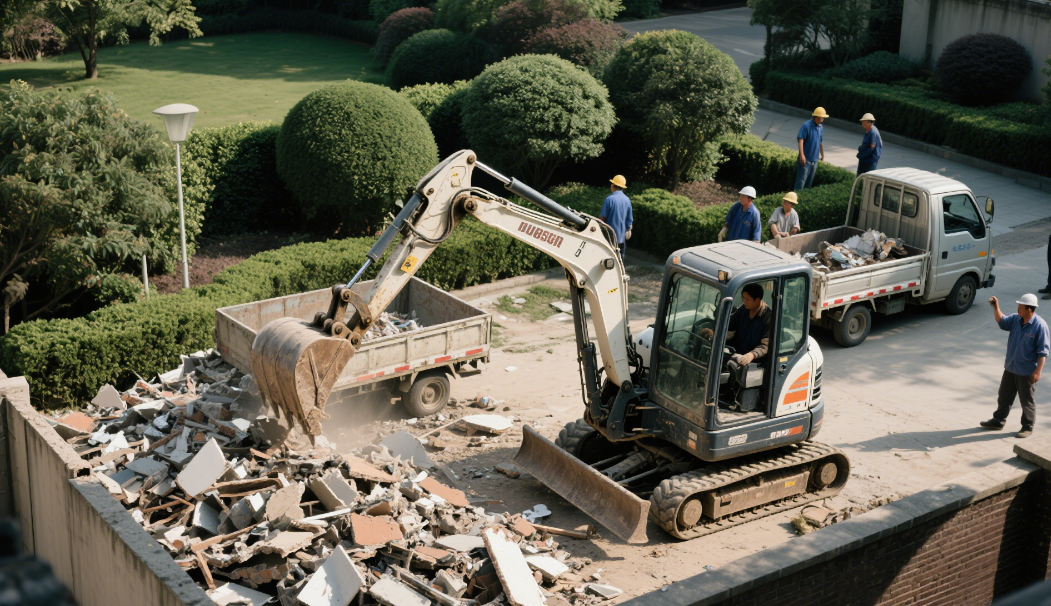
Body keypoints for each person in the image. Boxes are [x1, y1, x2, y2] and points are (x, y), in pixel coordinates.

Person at [980, 294, 1050, 438]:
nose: (1018, 309)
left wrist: (1037, 372)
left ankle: (1027, 426)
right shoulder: (1016, 319)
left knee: (1026, 401)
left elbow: (1042, 352)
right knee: (1004, 396)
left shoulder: (1040, 326)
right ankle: (998, 420)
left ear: (1030, 309)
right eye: (1018, 306)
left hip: (1026, 372)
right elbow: (1002, 321)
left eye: (1021, 307)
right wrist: (996, 308)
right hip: (1011, 367)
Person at [727, 283, 773, 366]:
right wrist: (715, 331)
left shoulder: (768, 317)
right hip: (736, 354)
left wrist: (750, 356)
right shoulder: (744, 309)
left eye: (747, 299)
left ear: (758, 300)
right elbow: (730, 324)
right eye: (743, 298)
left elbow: (765, 346)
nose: (744, 302)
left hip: (754, 364)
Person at [600, 175, 633, 262]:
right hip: (621, 237)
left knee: (608, 260)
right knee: (620, 261)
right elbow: (629, 220)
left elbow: (602, 218)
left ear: (613, 186)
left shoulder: (609, 200)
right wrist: (628, 229)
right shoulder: (627, 200)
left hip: (609, 237)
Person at [796, 107, 827, 190]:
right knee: (801, 182)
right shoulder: (806, 126)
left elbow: (820, 141)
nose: (822, 120)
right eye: (821, 118)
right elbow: (801, 140)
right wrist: (802, 155)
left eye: (823, 118)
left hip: (814, 160)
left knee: (809, 183)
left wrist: (822, 154)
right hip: (806, 160)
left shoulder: (821, 127)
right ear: (816, 117)